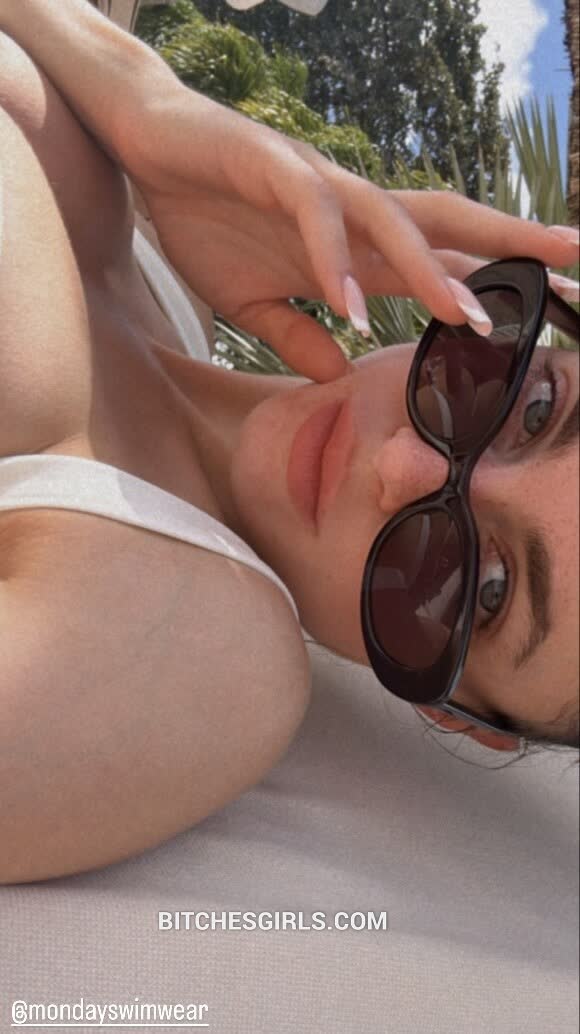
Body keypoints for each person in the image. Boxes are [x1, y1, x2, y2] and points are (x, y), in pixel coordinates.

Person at [0, 6, 578, 1033]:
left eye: (482, 586)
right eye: (530, 406)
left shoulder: (200, 650)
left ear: (449, 712)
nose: (401, 465)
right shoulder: (160, 247)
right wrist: (144, 102)